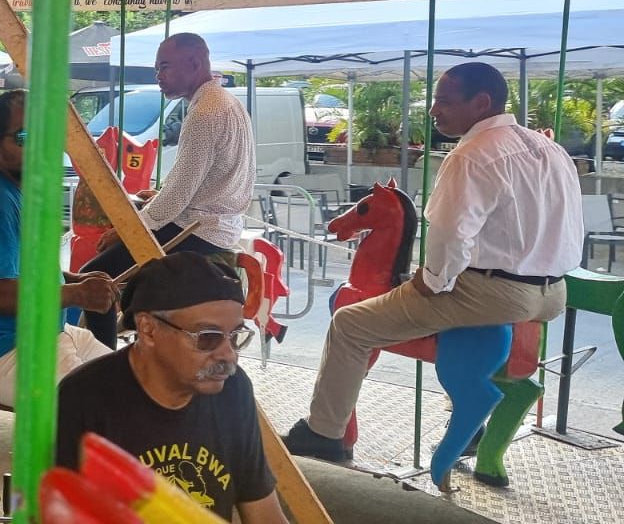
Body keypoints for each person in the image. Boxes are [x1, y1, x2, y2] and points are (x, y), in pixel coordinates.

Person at [282, 63, 580, 462]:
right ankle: (468, 419)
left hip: (496, 292)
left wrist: (429, 282)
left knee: (350, 323)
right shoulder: (550, 149)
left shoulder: (470, 155)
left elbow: (450, 237)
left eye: (444, 101)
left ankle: (324, 432)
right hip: (553, 292)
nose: (434, 110)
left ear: (482, 102)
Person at [56, 253, 285, 524]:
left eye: (236, 337)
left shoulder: (234, 390)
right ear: (148, 330)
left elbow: (263, 511)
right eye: (208, 338)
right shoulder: (84, 397)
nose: (229, 355)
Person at [0, 90, 119, 407]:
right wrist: (78, 295)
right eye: (24, 137)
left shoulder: (17, 190)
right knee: (98, 406)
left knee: (135, 385)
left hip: (37, 334)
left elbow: (21, 270)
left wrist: (73, 280)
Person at [80, 33, 255, 348]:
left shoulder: (204, 113)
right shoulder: (226, 102)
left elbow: (180, 195)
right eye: (157, 69)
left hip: (200, 231)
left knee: (94, 276)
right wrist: (158, 197)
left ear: (194, 63)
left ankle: (102, 361)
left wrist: (129, 229)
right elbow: (194, 181)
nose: (158, 76)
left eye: (164, 67)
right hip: (218, 226)